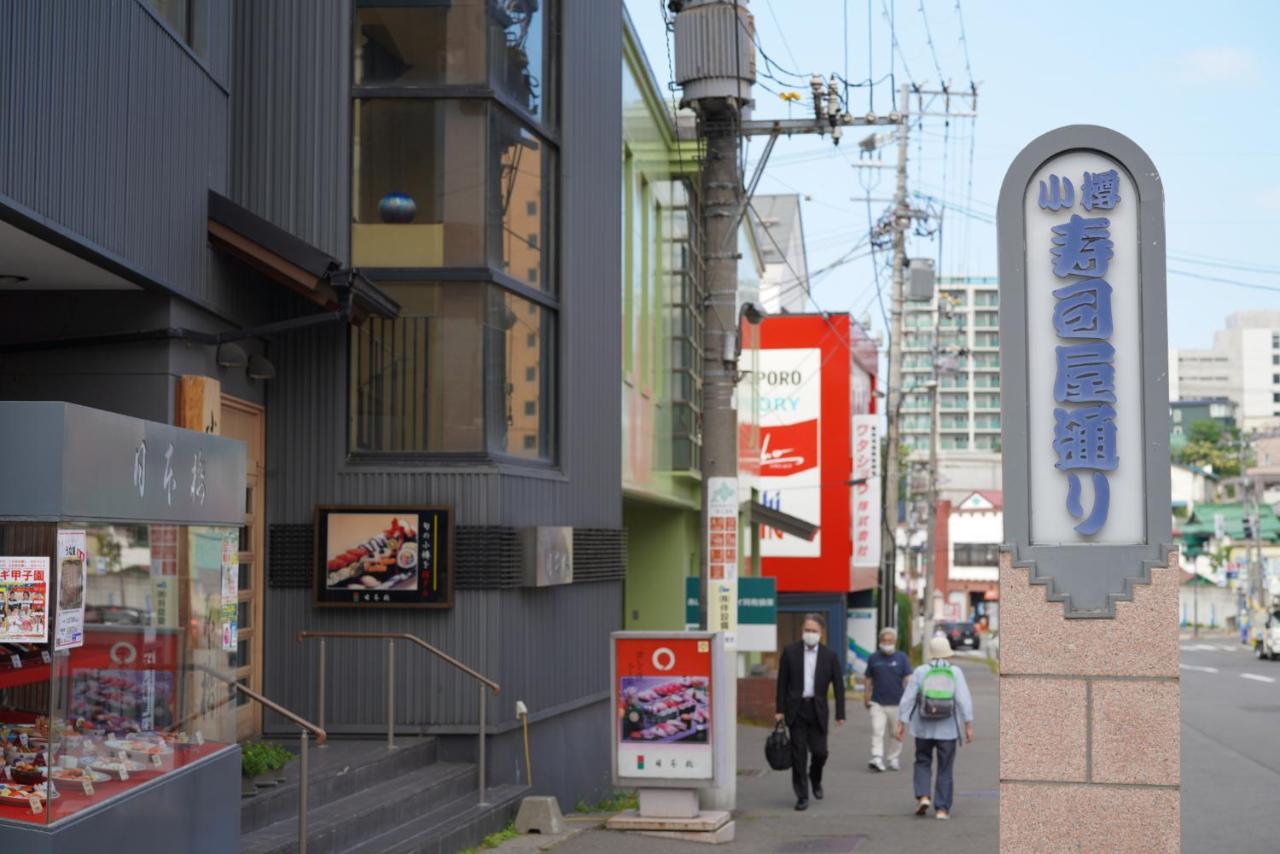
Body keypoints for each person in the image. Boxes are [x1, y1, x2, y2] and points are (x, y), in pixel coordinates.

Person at [895, 636, 974, 821]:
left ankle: (923, 796)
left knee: (922, 761)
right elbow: (964, 699)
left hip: (923, 726)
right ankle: (942, 809)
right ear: (948, 653)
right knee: (945, 767)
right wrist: (968, 724)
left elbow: (908, 698)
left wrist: (902, 722)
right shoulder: (955, 671)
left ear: (930, 653)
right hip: (948, 729)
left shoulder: (921, 671)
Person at [775, 614, 846, 811]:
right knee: (798, 755)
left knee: (820, 753)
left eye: (814, 631)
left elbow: (839, 686)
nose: (810, 634)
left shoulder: (830, 656)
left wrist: (840, 713)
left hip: (818, 710)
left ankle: (815, 778)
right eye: (807, 630)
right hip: (796, 710)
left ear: (821, 633)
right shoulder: (790, 652)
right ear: (802, 631)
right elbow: (782, 683)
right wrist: (779, 710)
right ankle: (802, 796)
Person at [863, 626, 912, 771]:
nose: (886, 643)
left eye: (890, 640)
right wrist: (866, 696)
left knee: (895, 733)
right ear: (880, 641)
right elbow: (868, 678)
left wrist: (910, 698)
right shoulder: (874, 658)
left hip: (897, 703)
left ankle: (893, 758)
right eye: (884, 640)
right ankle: (877, 757)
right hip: (878, 702)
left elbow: (908, 678)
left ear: (895, 641)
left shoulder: (901, 658)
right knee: (877, 730)